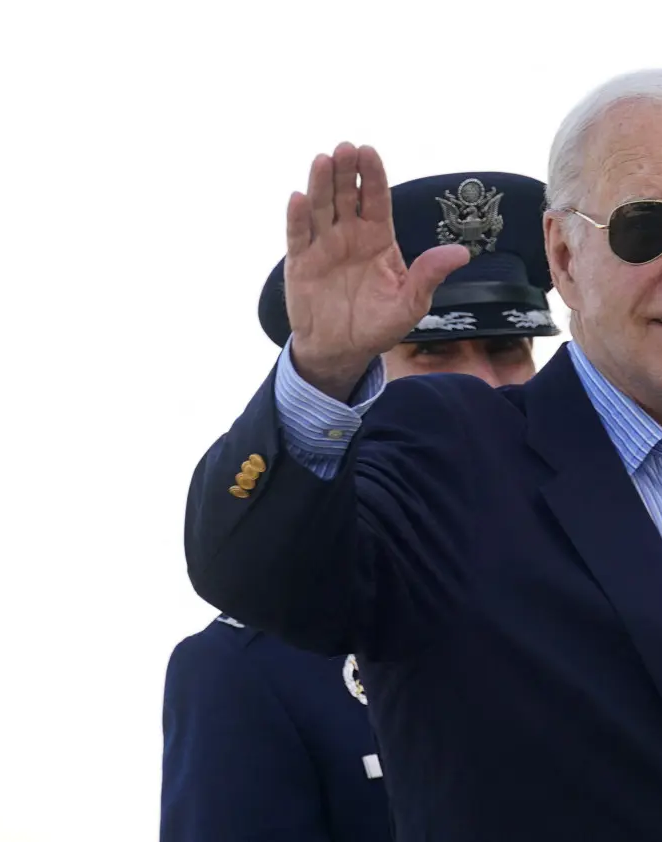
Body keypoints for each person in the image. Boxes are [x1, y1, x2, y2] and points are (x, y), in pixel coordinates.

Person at [183, 68, 662, 842]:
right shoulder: (453, 456)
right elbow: (257, 572)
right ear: (564, 258)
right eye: (648, 226)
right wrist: (325, 372)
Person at [161, 171, 559, 842]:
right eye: (432, 353)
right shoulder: (253, 670)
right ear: (362, 381)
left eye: (506, 350)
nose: (484, 385)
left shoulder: (621, 582)